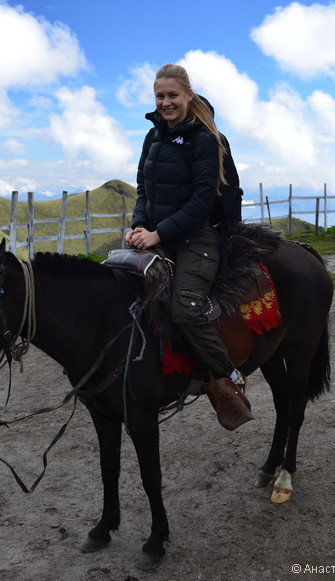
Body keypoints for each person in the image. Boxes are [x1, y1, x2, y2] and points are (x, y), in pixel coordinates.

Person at [125, 63, 252, 431]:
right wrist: (139, 225)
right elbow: (144, 189)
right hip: (157, 231)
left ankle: (228, 376)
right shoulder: (153, 136)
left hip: (199, 236)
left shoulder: (205, 139)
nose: (166, 103)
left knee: (185, 309)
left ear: (188, 95)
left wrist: (157, 234)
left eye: (172, 96)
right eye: (160, 96)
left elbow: (200, 202)